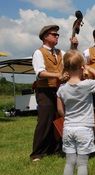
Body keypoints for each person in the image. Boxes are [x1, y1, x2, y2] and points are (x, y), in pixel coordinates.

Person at [57, 50, 95, 175]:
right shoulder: (87, 85)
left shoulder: (61, 89)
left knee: (69, 162)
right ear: (81, 67)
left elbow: (61, 111)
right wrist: (90, 68)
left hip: (68, 127)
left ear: (66, 68)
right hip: (84, 129)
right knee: (82, 163)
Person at [30, 25, 77, 161]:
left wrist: (74, 47)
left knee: (58, 119)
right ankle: (37, 153)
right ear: (45, 37)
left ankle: (55, 148)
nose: (57, 36)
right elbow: (40, 73)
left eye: (57, 35)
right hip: (45, 90)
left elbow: (70, 60)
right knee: (45, 120)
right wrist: (57, 75)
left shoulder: (60, 52)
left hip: (58, 90)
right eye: (54, 34)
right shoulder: (39, 53)